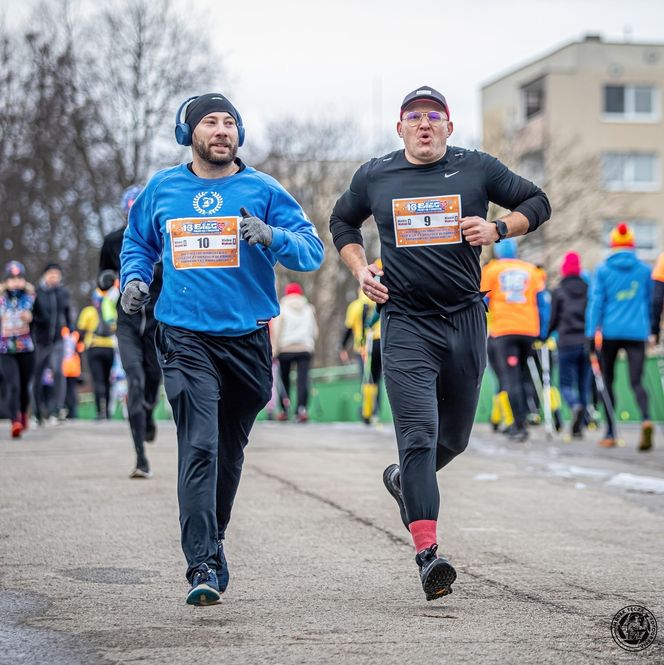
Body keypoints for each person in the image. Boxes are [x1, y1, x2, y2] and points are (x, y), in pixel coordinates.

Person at [329, 85, 550, 601]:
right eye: (414, 118)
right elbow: (341, 221)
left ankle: (407, 482)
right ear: (399, 128)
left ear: (449, 127)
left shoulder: (477, 168)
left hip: (466, 319)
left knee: (454, 440)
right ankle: (428, 556)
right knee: (420, 437)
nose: (424, 125)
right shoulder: (376, 174)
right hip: (404, 321)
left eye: (434, 117)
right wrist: (361, 269)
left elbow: (538, 202)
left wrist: (499, 227)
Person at [120, 92, 324, 605]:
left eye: (229, 122)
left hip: (248, 337)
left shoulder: (263, 189)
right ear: (188, 132)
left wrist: (272, 235)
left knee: (229, 453)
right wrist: (134, 279)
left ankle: (216, 538)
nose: (221, 130)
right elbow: (138, 243)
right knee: (200, 444)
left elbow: (312, 250)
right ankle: (202, 564)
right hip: (184, 334)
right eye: (209, 121)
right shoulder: (163, 188)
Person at [100, 185, 163, 479]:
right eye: (130, 210)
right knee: (135, 381)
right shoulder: (113, 240)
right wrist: (108, 278)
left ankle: (149, 413)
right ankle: (141, 458)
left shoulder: (165, 237)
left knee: (152, 380)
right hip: (126, 321)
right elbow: (101, 278)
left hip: (156, 323)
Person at [586, 222, 654, 450]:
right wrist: (653, 330)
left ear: (613, 244)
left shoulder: (603, 270)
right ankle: (646, 420)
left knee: (608, 381)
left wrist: (590, 332)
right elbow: (651, 301)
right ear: (632, 245)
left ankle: (611, 432)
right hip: (637, 332)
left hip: (611, 332)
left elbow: (596, 303)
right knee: (637, 381)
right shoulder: (644, 270)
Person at [481, 239, 548, 441]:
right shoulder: (531, 270)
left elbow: (482, 300)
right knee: (524, 375)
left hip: (504, 331)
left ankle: (518, 424)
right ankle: (530, 414)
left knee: (510, 379)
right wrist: (543, 331)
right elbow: (543, 303)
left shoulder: (491, 270)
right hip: (529, 330)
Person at [549, 251, 591, 438]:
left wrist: (545, 335)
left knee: (565, 384)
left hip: (566, 342)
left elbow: (554, 318)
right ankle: (579, 427)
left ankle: (575, 406)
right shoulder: (588, 288)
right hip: (586, 342)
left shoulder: (559, 290)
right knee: (584, 384)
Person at [271, 282, 318, 422]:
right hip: (304, 348)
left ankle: (284, 410)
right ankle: (301, 409)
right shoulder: (309, 308)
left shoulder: (282, 308)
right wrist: (310, 343)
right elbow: (314, 330)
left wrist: (275, 349)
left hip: (285, 348)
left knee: (284, 379)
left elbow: (277, 330)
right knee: (303, 380)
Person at [31, 263, 71, 423]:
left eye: (57, 274)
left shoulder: (63, 293)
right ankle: (37, 412)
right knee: (37, 375)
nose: (54, 277)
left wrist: (70, 328)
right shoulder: (36, 293)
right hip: (39, 341)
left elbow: (67, 313)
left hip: (57, 341)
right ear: (45, 275)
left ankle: (57, 409)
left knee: (59, 372)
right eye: (51, 273)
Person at [0, 261, 35, 438]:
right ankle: (15, 420)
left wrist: (31, 317)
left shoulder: (31, 297)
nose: (15, 281)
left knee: (23, 386)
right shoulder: (0, 299)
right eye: (12, 278)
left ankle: (22, 413)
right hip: (5, 349)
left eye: (19, 278)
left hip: (26, 348)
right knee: (12, 384)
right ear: (6, 280)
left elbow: (43, 320)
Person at [339, 281, 382, 424]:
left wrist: (343, 347)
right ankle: (376, 411)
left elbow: (349, 329)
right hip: (380, 343)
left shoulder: (355, 306)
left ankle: (367, 411)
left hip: (364, 346)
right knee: (376, 379)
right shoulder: (378, 302)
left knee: (366, 379)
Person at [77, 283, 117, 419]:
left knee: (97, 380)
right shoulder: (112, 311)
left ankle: (100, 412)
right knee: (107, 381)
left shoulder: (88, 311)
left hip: (93, 348)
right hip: (109, 348)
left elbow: (80, 332)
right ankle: (108, 412)